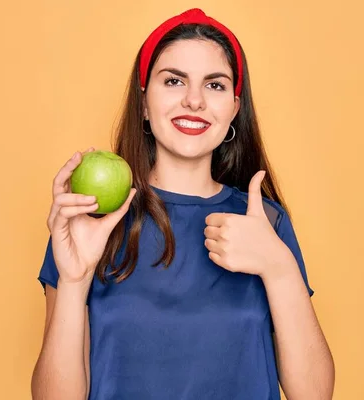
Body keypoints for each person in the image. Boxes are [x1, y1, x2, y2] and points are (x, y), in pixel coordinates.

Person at [31, 8, 335, 400]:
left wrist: (280, 270)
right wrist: (72, 282)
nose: (194, 100)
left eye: (215, 85)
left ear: (234, 111)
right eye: (174, 81)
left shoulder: (264, 223)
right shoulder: (92, 222)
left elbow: (314, 395)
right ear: (143, 103)